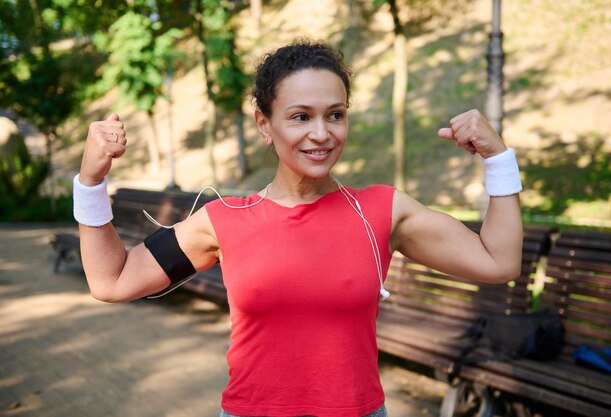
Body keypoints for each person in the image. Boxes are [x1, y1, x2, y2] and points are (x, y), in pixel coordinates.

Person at [73, 39, 523, 417]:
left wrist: (498, 160)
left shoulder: (383, 212)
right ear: (264, 124)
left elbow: (498, 261)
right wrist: (91, 183)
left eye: (336, 114)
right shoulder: (224, 218)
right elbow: (112, 281)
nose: (323, 133)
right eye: (300, 116)